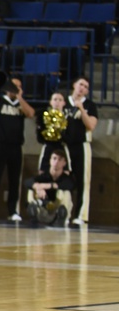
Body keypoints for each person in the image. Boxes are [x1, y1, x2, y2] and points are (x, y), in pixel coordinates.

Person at [0, 75, 33, 222]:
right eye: (13, 85)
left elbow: (30, 113)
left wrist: (20, 98)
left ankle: (13, 211)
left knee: (15, 180)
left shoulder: (21, 104)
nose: (15, 88)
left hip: (17, 146)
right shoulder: (0, 101)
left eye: (18, 86)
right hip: (0, 144)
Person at [61, 77, 97, 225]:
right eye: (81, 84)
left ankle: (81, 215)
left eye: (86, 87)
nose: (82, 88)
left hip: (82, 145)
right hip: (64, 145)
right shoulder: (63, 102)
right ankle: (62, 213)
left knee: (83, 180)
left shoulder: (89, 105)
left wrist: (81, 109)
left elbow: (91, 125)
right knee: (64, 179)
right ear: (74, 85)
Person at [24, 149, 73, 227]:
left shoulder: (65, 178)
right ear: (50, 160)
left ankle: (61, 217)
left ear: (64, 163)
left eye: (60, 159)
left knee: (65, 192)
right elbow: (27, 182)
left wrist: (48, 186)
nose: (56, 162)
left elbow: (69, 185)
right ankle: (33, 214)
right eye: (54, 158)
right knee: (31, 189)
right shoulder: (44, 176)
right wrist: (38, 187)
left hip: (56, 211)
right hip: (43, 210)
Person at [35, 91, 68, 173]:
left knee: (65, 172)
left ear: (64, 103)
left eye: (60, 100)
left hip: (62, 146)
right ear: (50, 102)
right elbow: (40, 136)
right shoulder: (44, 116)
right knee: (42, 171)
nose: (57, 102)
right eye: (55, 99)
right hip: (48, 146)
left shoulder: (68, 117)